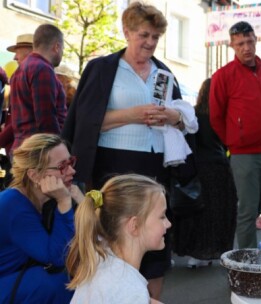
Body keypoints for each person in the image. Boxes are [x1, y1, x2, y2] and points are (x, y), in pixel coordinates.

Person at [62, 2, 197, 299]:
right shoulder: (102, 68)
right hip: (113, 164)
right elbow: (86, 122)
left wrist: (173, 117)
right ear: (127, 32)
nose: (150, 43)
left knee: (153, 235)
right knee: (114, 237)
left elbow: (180, 116)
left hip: (155, 166)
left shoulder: (164, 72)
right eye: (144, 35)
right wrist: (132, 115)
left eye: (155, 37)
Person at [209, 21, 261, 249]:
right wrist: (235, 141)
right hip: (244, 155)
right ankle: (247, 265)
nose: (246, 47)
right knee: (247, 212)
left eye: (250, 41)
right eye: (240, 43)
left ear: (256, 41)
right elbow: (215, 117)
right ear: (232, 45)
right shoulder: (223, 76)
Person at [0, 133, 83, 303]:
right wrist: (64, 202)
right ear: (34, 175)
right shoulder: (15, 207)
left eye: (71, 162)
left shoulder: (40, 198)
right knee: (61, 281)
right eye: (62, 166)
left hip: (15, 275)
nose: (72, 171)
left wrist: (82, 203)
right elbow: (58, 258)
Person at [67, 174, 171, 303]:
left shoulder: (101, 257)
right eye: (162, 217)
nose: (168, 223)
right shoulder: (131, 291)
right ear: (134, 225)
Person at [173, 78, 237, 268]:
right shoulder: (221, 115)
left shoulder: (191, 114)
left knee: (198, 212)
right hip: (220, 168)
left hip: (197, 167)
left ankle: (195, 253)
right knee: (218, 212)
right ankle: (212, 251)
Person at [10, 25, 66, 152]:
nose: (62, 53)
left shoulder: (21, 69)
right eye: (63, 48)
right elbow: (46, 118)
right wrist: (58, 149)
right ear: (57, 47)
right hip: (38, 152)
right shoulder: (42, 69)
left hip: (25, 147)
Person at [0, 33, 34, 157]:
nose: (14, 57)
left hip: (24, 148)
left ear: (31, 52)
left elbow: (22, 118)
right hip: (19, 145)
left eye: (18, 52)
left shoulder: (27, 77)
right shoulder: (23, 75)